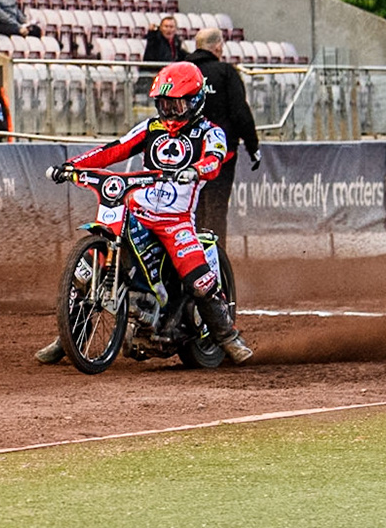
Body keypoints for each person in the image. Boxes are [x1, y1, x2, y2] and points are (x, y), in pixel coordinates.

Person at [44, 61, 253, 364]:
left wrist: (195, 171)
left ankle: (228, 336)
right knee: (86, 269)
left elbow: (214, 161)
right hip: (137, 209)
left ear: (195, 101)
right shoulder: (150, 128)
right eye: (163, 104)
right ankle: (69, 336)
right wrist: (73, 165)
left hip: (176, 222)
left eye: (175, 104)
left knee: (199, 281)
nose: (168, 112)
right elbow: (113, 149)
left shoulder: (211, 132)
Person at [187, 28, 260, 242]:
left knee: (190, 209)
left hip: (188, 152)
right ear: (218, 46)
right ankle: (216, 264)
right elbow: (240, 112)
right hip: (220, 154)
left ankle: (189, 263)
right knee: (216, 210)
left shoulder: (183, 71)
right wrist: (253, 146)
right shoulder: (226, 72)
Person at [139, 14, 185, 95]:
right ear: (160, 28)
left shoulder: (176, 42)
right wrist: (152, 33)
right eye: (166, 26)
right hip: (153, 78)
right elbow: (151, 45)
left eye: (171, 27)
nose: (168, 30)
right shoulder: (156, 40)